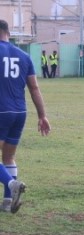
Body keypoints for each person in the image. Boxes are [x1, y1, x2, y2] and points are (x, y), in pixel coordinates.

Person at [0, 20, 50, 213]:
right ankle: (6, 202)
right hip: (20, 112)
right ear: (8, 33)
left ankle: (11, 184)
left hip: (1, 110)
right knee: (9, 157)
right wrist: (42, 115)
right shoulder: (24, 56)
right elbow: (34, 87)